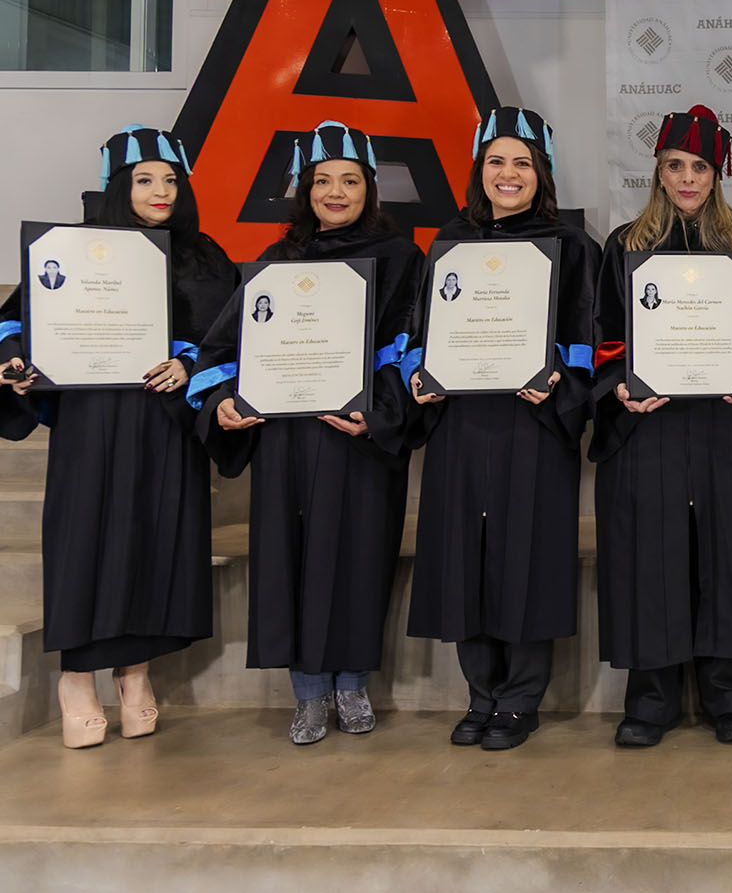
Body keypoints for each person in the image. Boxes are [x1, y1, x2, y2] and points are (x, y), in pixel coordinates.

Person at [0, 126, 237, 748]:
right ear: (117, 186)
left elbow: (232, 338)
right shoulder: (71, 249)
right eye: (144, 179)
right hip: (91, 421)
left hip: (162, 422)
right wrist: (19, 364)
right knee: (87, 539)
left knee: (153, 541)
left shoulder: (203, 256)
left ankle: (135, 674)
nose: (161, 190)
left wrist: (190, 365)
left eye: (170, 179)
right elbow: (14, 322)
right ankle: (77, 676)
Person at [189, 121, 423, 746]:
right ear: (305, 189)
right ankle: (309, 693)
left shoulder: (401, 259)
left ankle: (352, 684)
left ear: (369, 189)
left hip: (356, 435)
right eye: (324, 180)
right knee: (290, 558)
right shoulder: (275, 262)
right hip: (288, 439)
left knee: (358, 557)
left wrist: (378, 413)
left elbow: (413, 351)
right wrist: (224, 403)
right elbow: (224, 348)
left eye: (350, 180)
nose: (336, 192)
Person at [593, 105, 732, 747]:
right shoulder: (625, 245)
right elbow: (603, 339)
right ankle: (651, 700)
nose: (687, 178)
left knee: (724, 555)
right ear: (658, 169)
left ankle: (728, 696)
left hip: (723, 428)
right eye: (675, 165)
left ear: (717, 173)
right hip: (649, 430)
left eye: (700, 166)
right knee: (652, 556)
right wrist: (617, 387)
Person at [405, 107, 598, 751]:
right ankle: (479, 693)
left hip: (532, 422)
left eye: (522, 162)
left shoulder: (572, 247)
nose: (508, 174)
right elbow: (420, 333)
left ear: (540, 173)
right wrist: (419, 375)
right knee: (464, 557)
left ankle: (519, 700)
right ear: (478, 171)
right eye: (496, 161)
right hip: (461, 421)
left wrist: (556, 382)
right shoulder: (448, 241)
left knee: (526, 557)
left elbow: (585, 342)